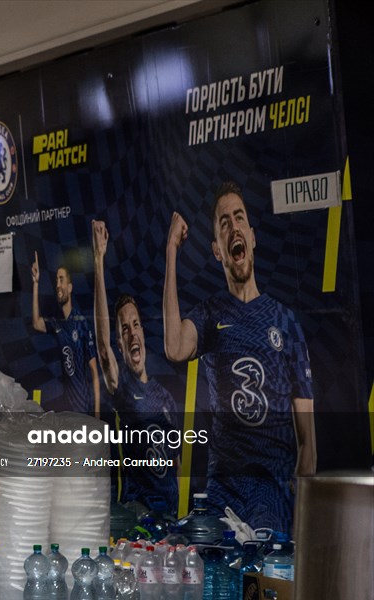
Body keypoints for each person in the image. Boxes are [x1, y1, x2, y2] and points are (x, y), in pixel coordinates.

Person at [163, 181, 315, 534]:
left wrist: (302, 520)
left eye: (239, 218)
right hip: (223, 490)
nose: (234, 227)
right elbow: (174, 346)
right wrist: (171, 250)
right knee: (198, 570)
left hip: (272, 492)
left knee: (260, 581)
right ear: (218, 249)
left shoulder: (285, 322)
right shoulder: (211, 313)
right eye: (224, 222)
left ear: (252, 236)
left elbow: (308, 444)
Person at [91, 220, 179, 513]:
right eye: (124, 329)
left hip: (168, 518)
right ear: (120, 342)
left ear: (144, 332)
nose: (132, 333)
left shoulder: (165, 397)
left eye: (136, 324)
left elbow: (174, 463)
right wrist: (99, 261)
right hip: (136, 516)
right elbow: (103, 349)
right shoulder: (122, 387)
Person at [30, 252, 100, 418]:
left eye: (61, 280)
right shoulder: (57, 322)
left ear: (70, 287)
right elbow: (36, 323)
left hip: (84, 407)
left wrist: (97, 415)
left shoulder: (81, 322)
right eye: (56, 281)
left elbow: (95, 373)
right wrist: (35, 283)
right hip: (66, 408)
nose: (58, 285)